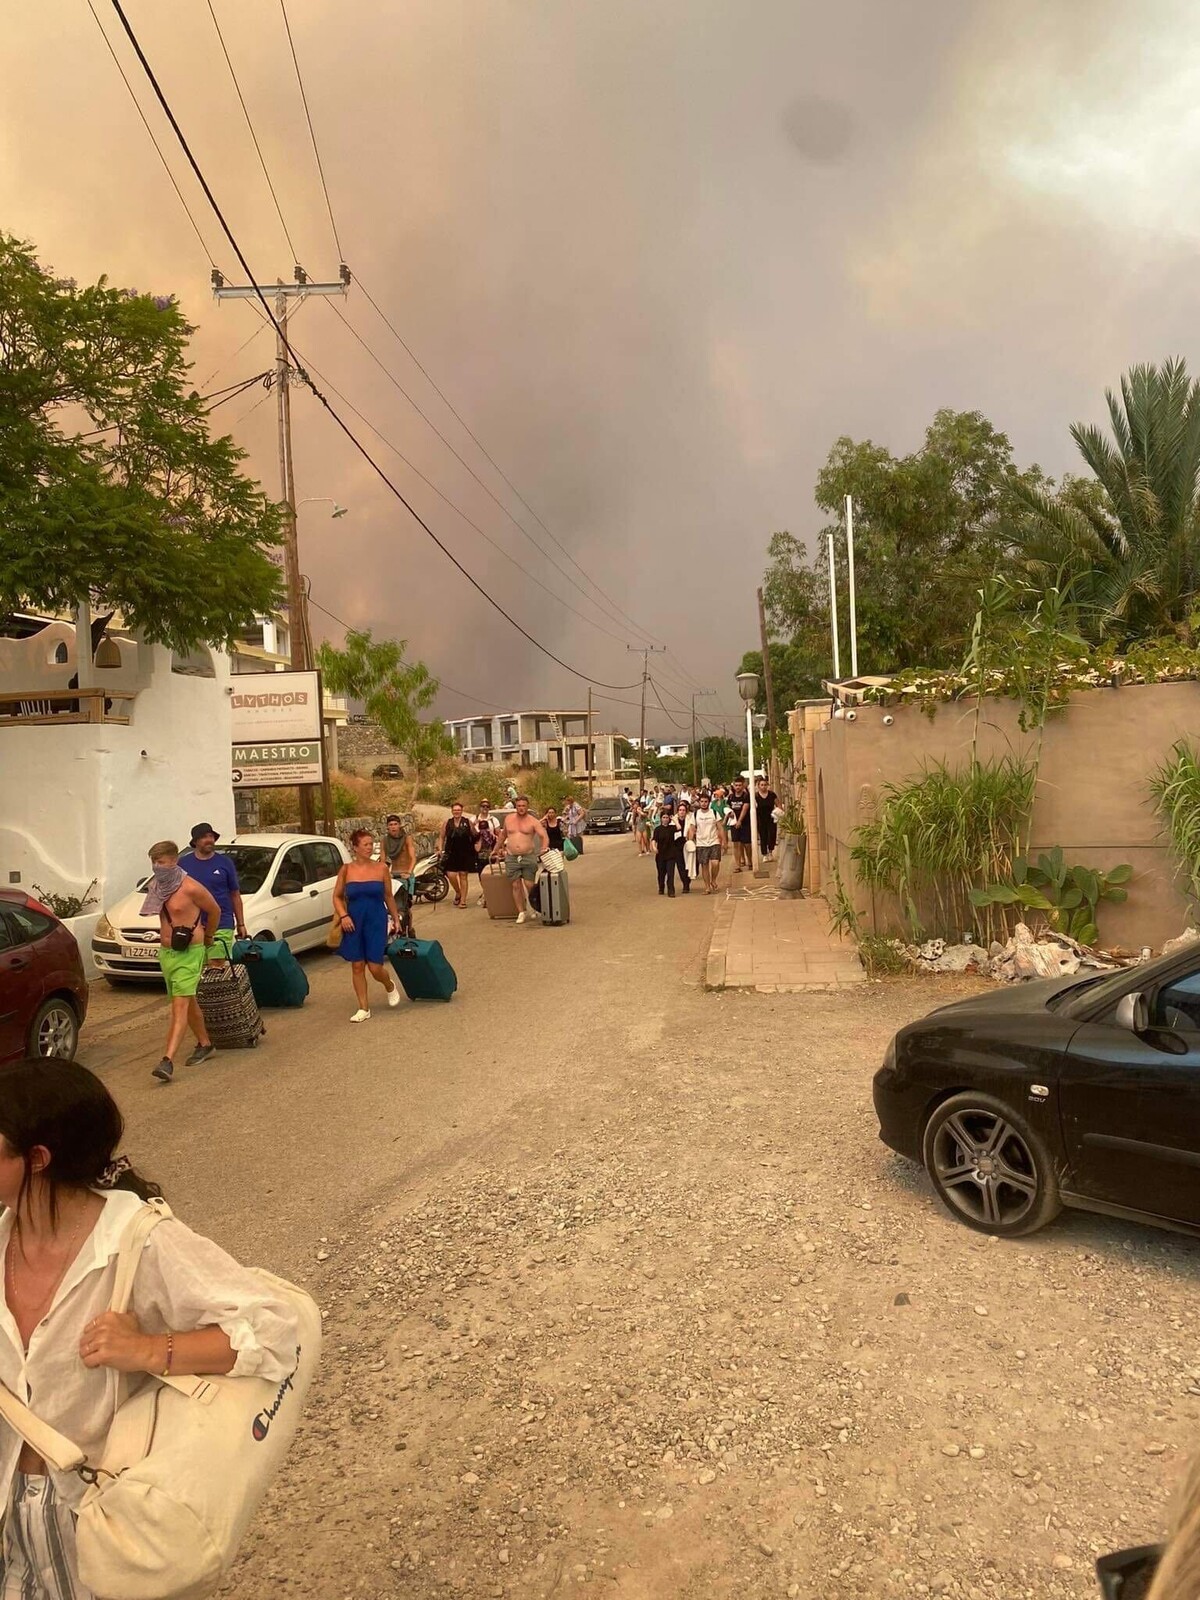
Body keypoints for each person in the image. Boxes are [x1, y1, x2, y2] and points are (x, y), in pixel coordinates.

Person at [0, 1057, 302, 1599]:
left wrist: (146, 1348)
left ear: (37, 1159)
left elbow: (273, 1330)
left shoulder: (137, 1241)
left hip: (93, 1514)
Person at [144, 841, 222, 1085]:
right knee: (187, 1002)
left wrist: (208, 937)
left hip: (190, 952)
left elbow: (215, 910)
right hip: (168, 954)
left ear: (174, 861)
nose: (157, 867)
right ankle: (205, 1043)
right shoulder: (157, 886)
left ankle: (166, 1060)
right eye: (154, 863)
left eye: (161, 862)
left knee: (179, 1006)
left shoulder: (191, 887)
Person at [332, 828, 403, 1022]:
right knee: (357, 965)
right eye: (365, 844)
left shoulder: (381, 868)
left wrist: (396, 919)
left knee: (374, 966)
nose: (370, 847)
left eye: (371, 844)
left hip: (375, 919)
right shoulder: (346, 870)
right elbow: (337, 897)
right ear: (355, 847)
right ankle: (363, 1008)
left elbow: (388, 896)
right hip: (353, 921)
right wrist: (344, 915)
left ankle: (389, 984)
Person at [179, 823, 245, 960]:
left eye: (211, 836)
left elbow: (235, 894)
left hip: (222, 924)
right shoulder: (183, 864)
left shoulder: (225, 863)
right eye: (204, 837)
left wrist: (241, 924)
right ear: (195, 841)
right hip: (193, 927)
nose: (209, 840)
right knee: (198, 970)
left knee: (217, 966)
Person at [501, 796, 549, 925]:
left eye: (523, 806)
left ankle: (533, 906)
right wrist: (496, 848)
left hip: (528, 856)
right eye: (519, 806)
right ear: (515, 806)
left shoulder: (533, 821)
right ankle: (521, 912)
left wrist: (544, 848)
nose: (521, 808)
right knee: (515, 885)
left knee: (529, 885)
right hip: (512, 856)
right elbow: (503, 835)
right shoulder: (509, 819)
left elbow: (543, 836)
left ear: (527, 807)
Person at [440, 802, 478, 909]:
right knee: (451, 875)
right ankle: (458, 892)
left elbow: (475, 834)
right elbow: (442, 837)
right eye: (455, 810)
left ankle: (463, 901)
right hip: (451, 852)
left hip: (465, 852)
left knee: (463, 875)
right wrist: (439, 848)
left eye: (458, 810)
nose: (456, 811)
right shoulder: (447, 822)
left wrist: (476, 846)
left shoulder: (467, 822)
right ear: (452, 811)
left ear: (461, 811)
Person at [689, 791, 726, 893]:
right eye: (702, 801)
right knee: (704, 865)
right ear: (699, 802)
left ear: (709, 802)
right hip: (701, 843)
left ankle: (713, 880)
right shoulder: (696, 814)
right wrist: (690, 840)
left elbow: (720, 828)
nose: (704, 803)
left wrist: (724, 842)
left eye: (706, 801)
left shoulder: (714, 813)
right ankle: (707, 887)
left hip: (714, 841)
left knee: (715, 863)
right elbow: (692, 828)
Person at [652, 805, 685, 897]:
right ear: (661, 818)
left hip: (671, 854)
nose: (665, 819)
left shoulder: (671, 828)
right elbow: (654, 839)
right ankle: (661, 887)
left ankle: (671, 891)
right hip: (660, 855)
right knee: (661, 874)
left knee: (670, 873)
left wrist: (674, 819)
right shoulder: (658, 829)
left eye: (667, 817)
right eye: (664, 817)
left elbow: (679, 828)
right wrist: (654, 847)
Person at [472, 800, 500, 905]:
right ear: (480, 807)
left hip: (491, 852)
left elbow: (499, 834)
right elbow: (471, 834)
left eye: (487, 806)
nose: (485, 808)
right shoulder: (474, 819)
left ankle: (488, 894)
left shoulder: (494, 820)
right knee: (481, 875)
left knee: (491, 874)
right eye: (483, 806)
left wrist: (499, 849)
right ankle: (486, 893)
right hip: (479, 853)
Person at [728, 778, 753, 872]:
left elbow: (745, 808)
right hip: (733, 823)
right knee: (736, 844)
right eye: (736, 785)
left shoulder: (746, 796)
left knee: (747, 844)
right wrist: (729, 813)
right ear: (733, 786)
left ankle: (750, 861)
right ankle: (737, 865)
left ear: (743, 786)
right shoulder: (731, 797)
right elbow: (728, 807)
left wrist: (740, 821)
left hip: (745, 823)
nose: (737, 787)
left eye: (739, 785)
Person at [755, 776, 779, 861]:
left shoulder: (772, 795)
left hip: (771, 818)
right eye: (762, 785)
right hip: (760, 819)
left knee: (771, 835)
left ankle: (770, 852)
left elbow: (778, 805)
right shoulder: (756, 796)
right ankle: (764, 854)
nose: (763, 786)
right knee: (763, 836)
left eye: (765, 785)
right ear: (758, 786)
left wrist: (779, 812)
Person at [675, 799, 694, 891]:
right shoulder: (673, 820)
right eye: (680, 810)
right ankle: (685, 884)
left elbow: (692, 831)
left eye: (683, 810)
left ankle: (688, 880)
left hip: (687, 843)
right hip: (677, 845)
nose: (682, 812)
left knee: (688, 864)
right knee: (680, 865)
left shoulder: (690, 820)